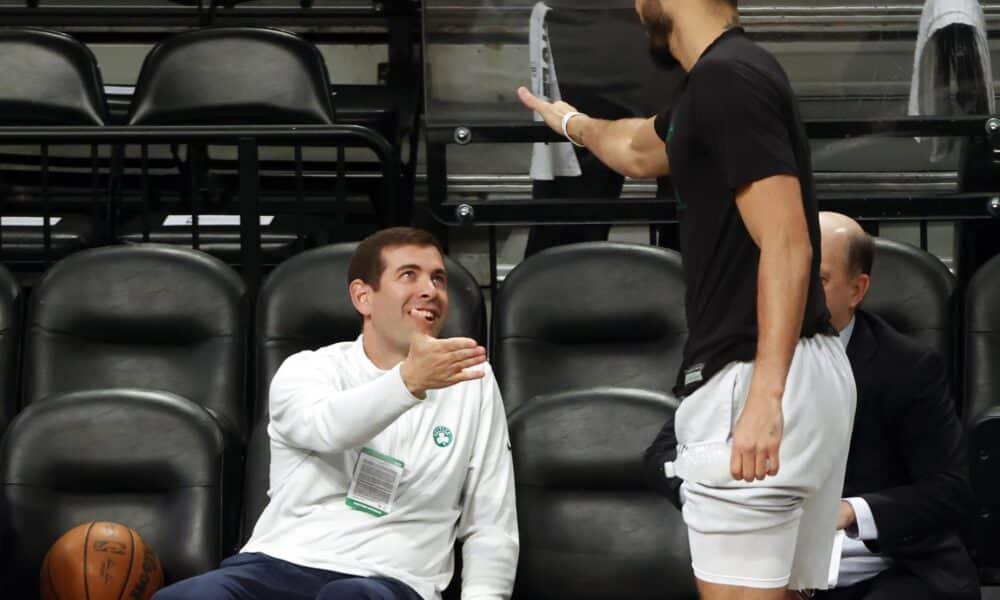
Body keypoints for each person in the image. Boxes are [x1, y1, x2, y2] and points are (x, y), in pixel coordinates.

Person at [520, 0, 857, 597]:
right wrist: (572, 122)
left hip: (754, 373)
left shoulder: (727, 80)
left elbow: (786, 243)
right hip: (799, 369)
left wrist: (764, 396)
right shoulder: (724, 78)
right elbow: (638, 151)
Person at [153, 227, 518, 600]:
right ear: (363, 297)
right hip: (278, 564)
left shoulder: (471, 379)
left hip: (390, 578)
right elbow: (329, 428)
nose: (431, 290)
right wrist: (408, 383)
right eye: (409, 275)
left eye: (438, 278)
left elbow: (491, 521)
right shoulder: (307, 370)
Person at [645, 212, 979, 599]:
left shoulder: (906, 367)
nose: (794, 292)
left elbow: (950, 491)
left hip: (878, 570)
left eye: (816, 280)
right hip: (755, 564)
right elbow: (663, 455)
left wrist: (849, 512)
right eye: (781, 274)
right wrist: (723, 502)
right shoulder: (731, 354)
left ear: (857, 290)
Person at [525, 0, 683, 256]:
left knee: (687, 165)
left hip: (672, 16)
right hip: (579, 21)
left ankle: (691, 287)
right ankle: (558, 289)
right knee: (574, 200)